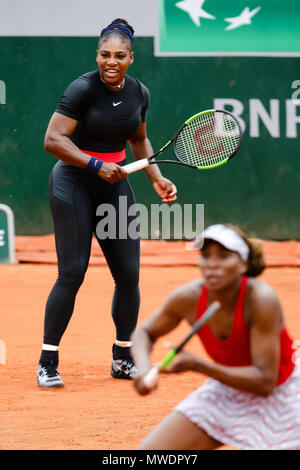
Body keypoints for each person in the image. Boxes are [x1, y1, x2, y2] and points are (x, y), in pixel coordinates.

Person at [37, 18, 177, 388]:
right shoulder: (81, 89)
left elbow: (139, 139)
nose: (110, 61)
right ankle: (47, 360)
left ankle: (122, 357)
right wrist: (96, 164)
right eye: (104, 54)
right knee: (73, 271)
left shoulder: (139, 93)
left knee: (129, 274)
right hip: (74, 182)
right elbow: (53, 140)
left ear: (131, 58)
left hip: (114, 186)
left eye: (118, 55)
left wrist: (156, 177)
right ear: (96, 55)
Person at [131, 224, 300, 450]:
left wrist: (197, 365)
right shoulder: (188, 297)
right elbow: (146, 332)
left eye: (223, 256)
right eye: (205, 256)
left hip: (284, 394)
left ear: (243, 264)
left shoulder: (261, 299)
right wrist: (143, 370)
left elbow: (264, 382)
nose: (212, 264)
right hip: (227, 389)